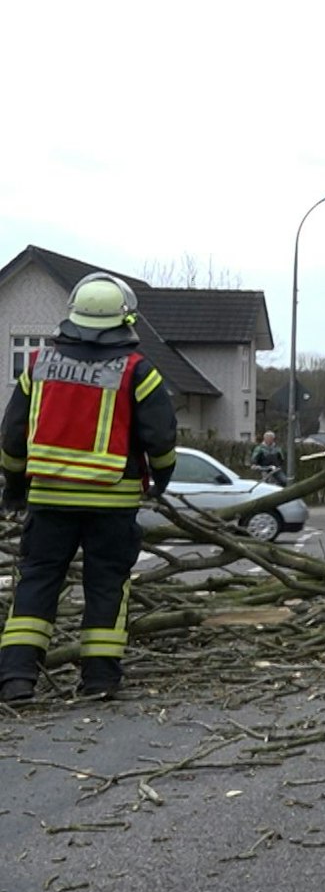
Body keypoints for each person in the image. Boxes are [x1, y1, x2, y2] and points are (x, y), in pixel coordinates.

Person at [1, 273, 178, 702]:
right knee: (106, 585)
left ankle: (16, 679)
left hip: (48, 499)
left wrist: (15, 486)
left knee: (37, 582)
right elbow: (161, 437)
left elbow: (11, 436)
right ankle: (99, 680)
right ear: (125, 318)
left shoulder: (39, 365)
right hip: (112, 503)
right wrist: (161, 479)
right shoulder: (139, 371)